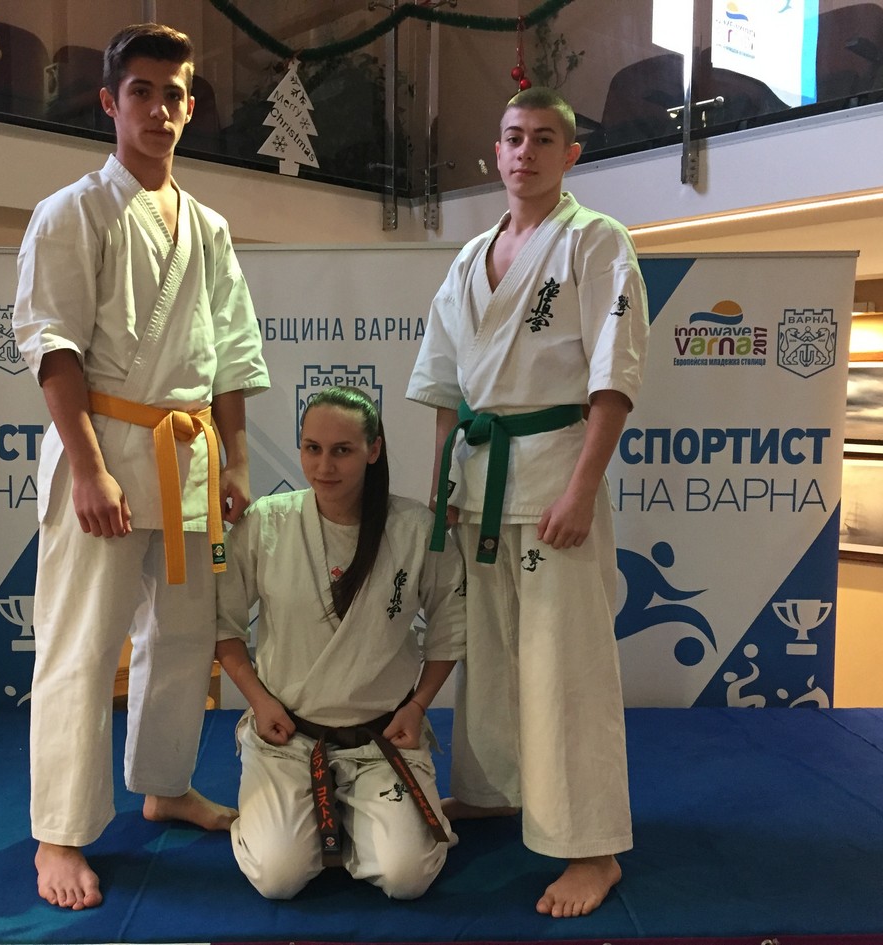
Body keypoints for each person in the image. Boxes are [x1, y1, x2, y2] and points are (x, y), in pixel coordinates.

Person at [12, 23, 269, 911]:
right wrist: (88, 470)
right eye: (142, 92)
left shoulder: (209, 227)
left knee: (184, 638)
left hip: (188, 457)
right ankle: (59, 829)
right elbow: (54, 348)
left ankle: (164, 784)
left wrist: (235, 462)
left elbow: (231, 354)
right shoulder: (71, 212)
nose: (160, 109)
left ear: (191, 108)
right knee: (82, 645)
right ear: (110, 103)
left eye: (175, 95)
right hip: (107, 450)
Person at [406, 86, 649, 919]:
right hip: (480, 483)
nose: (526, 152)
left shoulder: (595, 241)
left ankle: (592, 846)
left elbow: (613, 376)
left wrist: (583, 487)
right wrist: (442, 487)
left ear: (570, 155)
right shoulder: (469, 258)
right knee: (491, 654)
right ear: (496, 151)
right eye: (514, 137)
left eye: (545, 138)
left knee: (565, 665)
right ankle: (494, 788)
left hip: (552, 478)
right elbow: (446, 385)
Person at [215, 386, 465, 900]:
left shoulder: (414, 529)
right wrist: (258, 701)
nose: (324, 466)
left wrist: (418, 705)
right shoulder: (267, 522)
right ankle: (302, 822)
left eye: (342, 450)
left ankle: (358, 823)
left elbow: (450, 625)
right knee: (278, 877)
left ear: (374, 450)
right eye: (312, 448)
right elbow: (224, 624)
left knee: (406, 877)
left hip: (381, 738)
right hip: (288, 736)